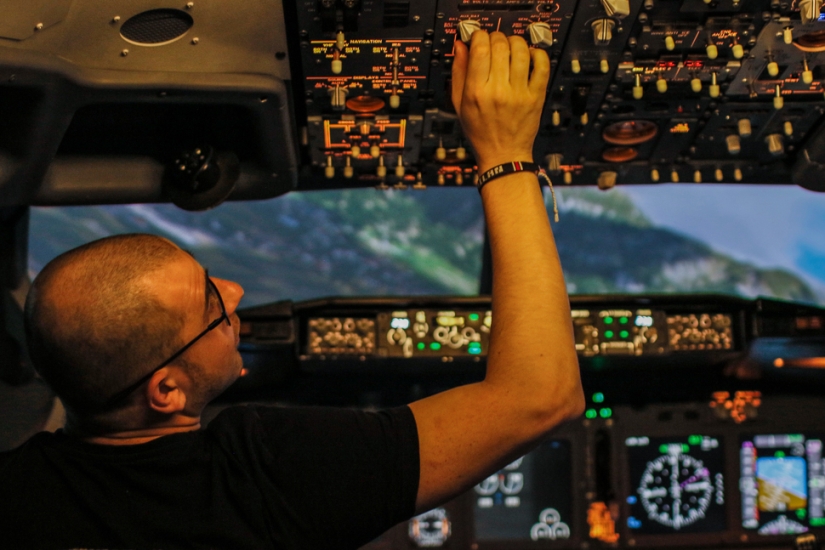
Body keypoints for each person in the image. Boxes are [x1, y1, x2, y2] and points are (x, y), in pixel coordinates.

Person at [0, 31, 584, 549]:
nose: (234, 291)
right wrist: (506, 156)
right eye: (209, 304)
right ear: (166, 391)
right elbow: (540, 397)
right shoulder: (261, 476)